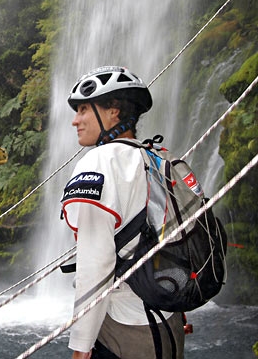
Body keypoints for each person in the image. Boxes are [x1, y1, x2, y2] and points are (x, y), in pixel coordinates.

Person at [60, 66, 185, 359]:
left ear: (113, 112)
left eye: (83, 110)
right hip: (168, 319)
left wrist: (81, 344)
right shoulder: (155, 157)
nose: (74, 120)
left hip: (124, 329)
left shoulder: (99, 163)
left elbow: (96, 264)